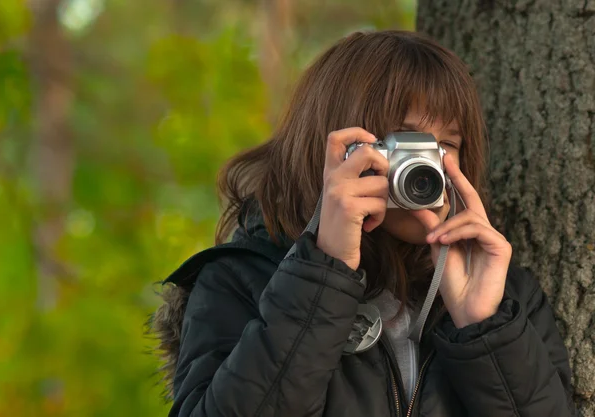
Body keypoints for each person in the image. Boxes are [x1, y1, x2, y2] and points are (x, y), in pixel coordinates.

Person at [151, 30, 576, 417]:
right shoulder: (240, 280)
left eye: (446, 144)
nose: (426, 167)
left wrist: (484, 329)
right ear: (337, 147)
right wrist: (323, 273)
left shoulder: (507, 299)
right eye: (405, 142)